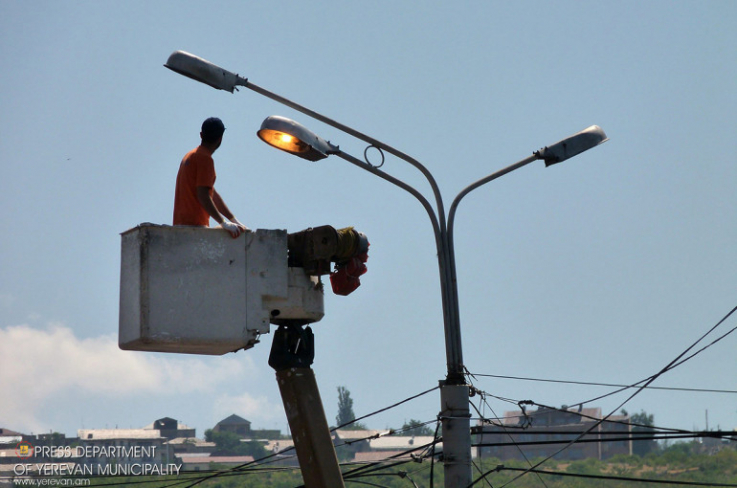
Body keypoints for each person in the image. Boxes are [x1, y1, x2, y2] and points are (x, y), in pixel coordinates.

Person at [173, 117, 248, 238]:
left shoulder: (190, 155)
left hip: (179, 227)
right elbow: (203, 195)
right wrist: (223, 222)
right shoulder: (205, 159)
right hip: (194, 228)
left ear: (201, 135)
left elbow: (210, 193)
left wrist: (233, 219)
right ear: (220, 138)